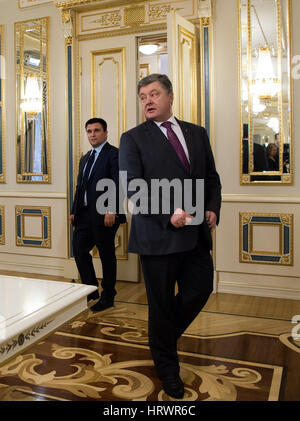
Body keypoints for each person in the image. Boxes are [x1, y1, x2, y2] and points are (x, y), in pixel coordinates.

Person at [119, 74, 222, 399]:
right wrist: (168, 214)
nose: (148, 101)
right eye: (143, 97)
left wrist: (212, 208)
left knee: (200, 287)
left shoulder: (197, 132)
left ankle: (160, 340)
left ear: (170, 96)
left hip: (195, 236)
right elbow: (133, 186)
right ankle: (168, 369)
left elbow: (212, 179)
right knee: (161, 305)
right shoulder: (132, 138)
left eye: (154, 94)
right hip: (157, 236)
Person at [70, 118, 126, 312]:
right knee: (78, 249)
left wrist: (112, 209)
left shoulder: (115, 154)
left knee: (106, 255)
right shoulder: (85, 158)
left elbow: (119, 183)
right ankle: (91, 289)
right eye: (89, 131)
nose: (92, 134)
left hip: (105, 214)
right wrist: (73, 210)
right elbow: (79, 187)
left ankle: (108, 295)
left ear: (105, 132)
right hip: (84, 214)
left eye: (96, 130)